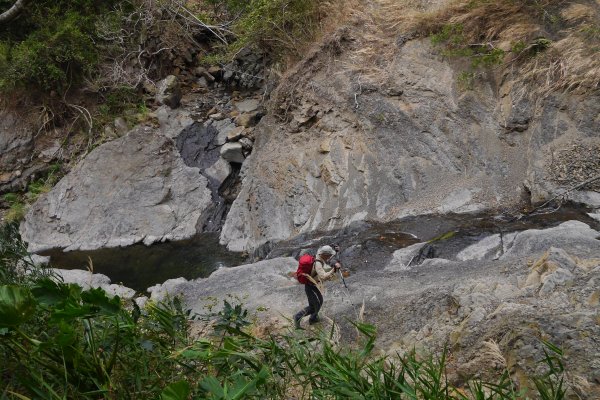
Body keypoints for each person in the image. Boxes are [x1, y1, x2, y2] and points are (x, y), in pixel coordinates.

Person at [294, 245, 340, 329]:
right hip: (310, 285)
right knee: (314, 306)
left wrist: (336, 252)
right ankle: (298, 317)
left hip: (313, 284)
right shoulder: (318, 263)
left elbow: (330, 258)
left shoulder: (320, 256)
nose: (330, 257)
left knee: (319, 301)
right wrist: (333, 270)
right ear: (324, 255)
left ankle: (313, 318)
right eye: (329, 255)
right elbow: (323, 277)